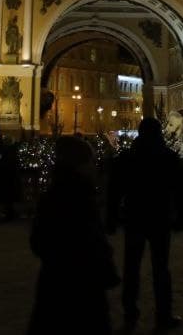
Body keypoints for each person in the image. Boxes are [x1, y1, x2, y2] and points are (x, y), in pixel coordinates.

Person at [29, 136, 118, 335]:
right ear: (80, 165)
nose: (95, 167)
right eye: (91, 162)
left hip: (53, 283)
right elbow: (93, 241)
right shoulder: (81, 197)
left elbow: (38, 241)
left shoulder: (53, 194)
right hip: (83, 286)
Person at [107, 116, 183, 331]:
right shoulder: (168, 157)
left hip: (134, 216)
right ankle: (163, 315)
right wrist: (181, 217)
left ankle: (130, 312)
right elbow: (181, 191)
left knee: (131, 266)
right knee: (161, 268)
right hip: (159, 217)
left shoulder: (128, 157)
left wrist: (111, 218)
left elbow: (114, 191)